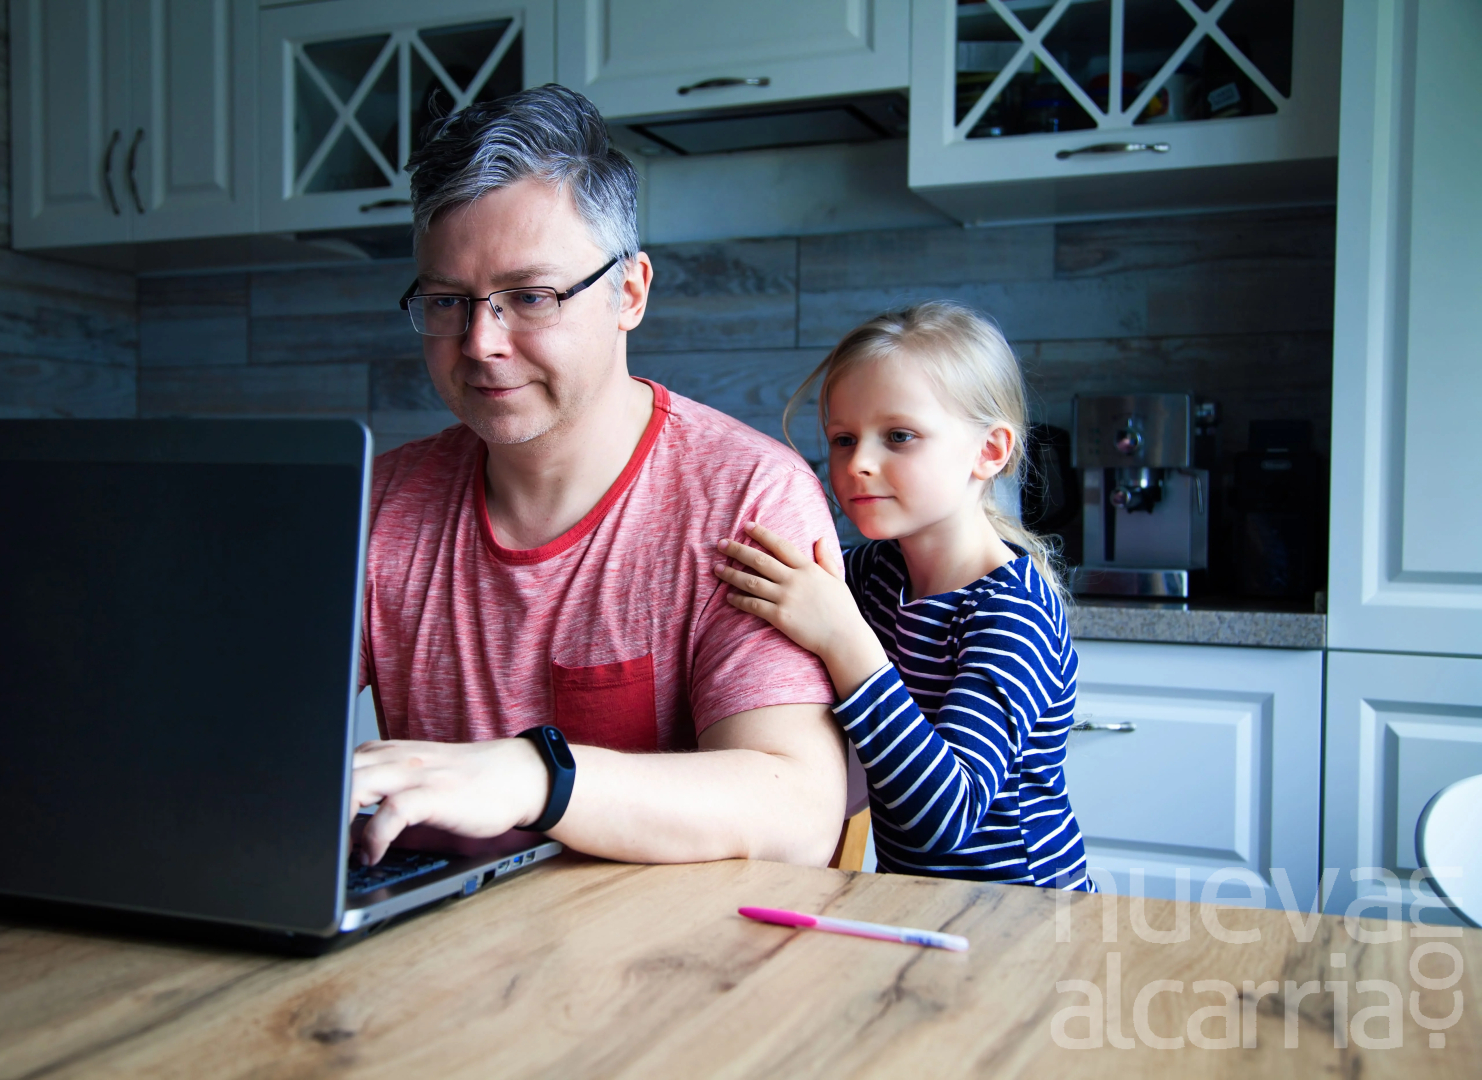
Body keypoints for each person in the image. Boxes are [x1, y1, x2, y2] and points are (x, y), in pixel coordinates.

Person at [349, 85, 848, 869]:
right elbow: (241, 723)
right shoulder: (376, 505)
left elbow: (797, 812)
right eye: (449, 300)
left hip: (669, 973)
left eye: (530, 296)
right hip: (427, 961)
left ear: (631, 293)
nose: (481, 341)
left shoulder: (749, 498)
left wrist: (536, 777)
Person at [711, 302, 1092, 889]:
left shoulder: (1014, 615)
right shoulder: (873, 575)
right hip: (914, 904)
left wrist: (845, 640)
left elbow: (943, 819)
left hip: (1025, 920)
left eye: (899, 436)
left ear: (990, 451)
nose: (858, 463)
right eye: (842, 438)